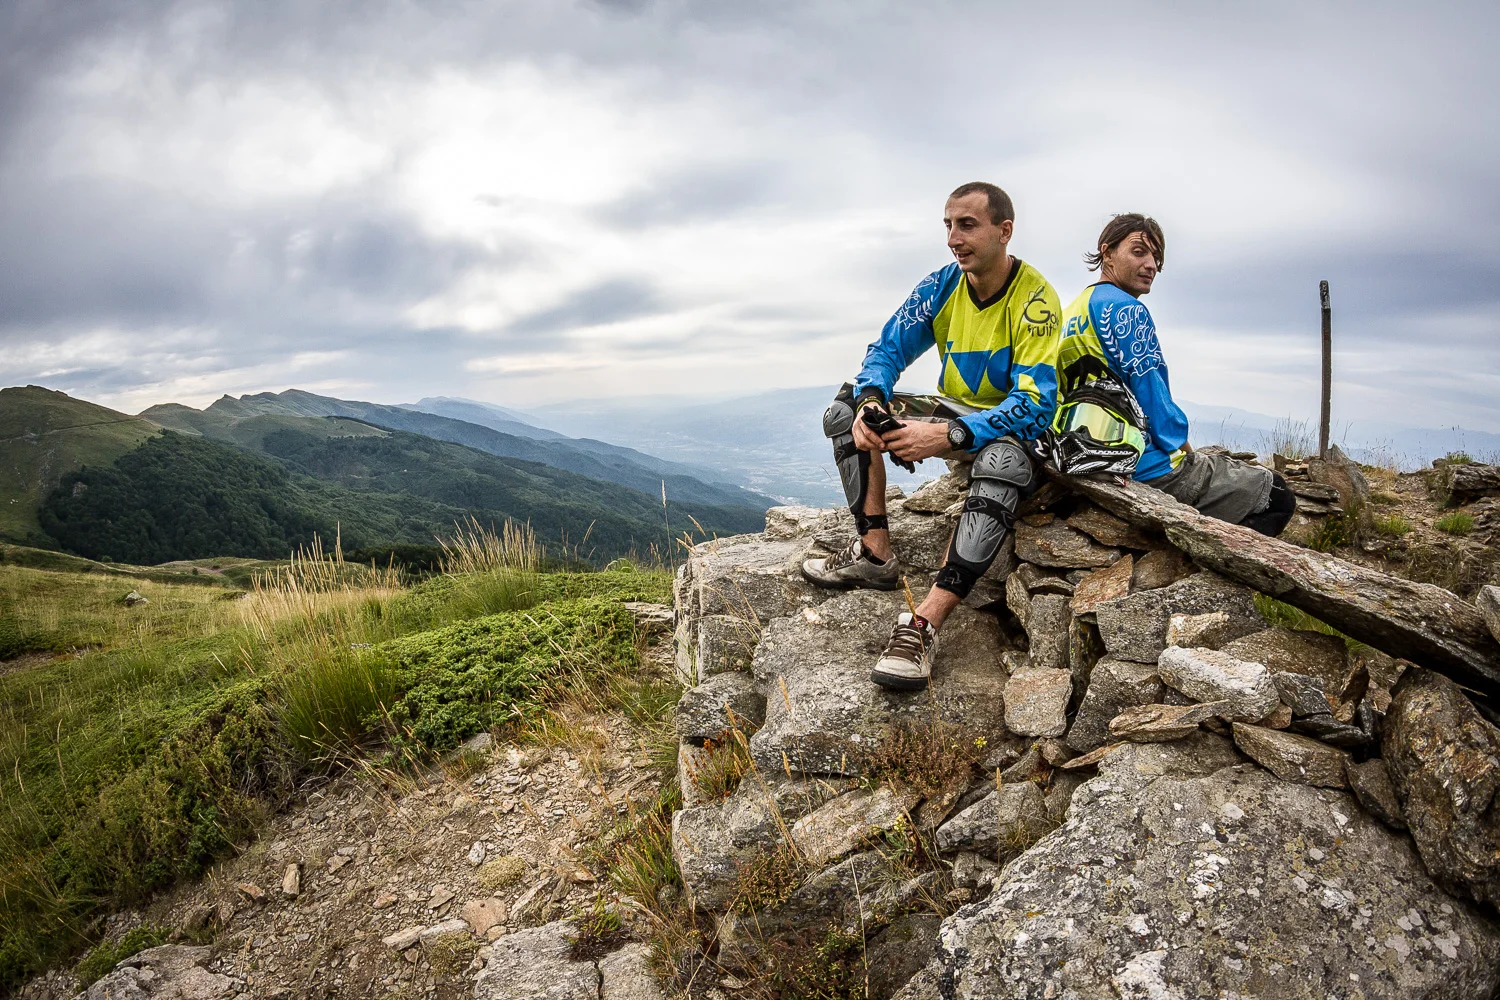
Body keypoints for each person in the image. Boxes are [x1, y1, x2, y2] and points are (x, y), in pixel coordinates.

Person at [801, 182, 1062, 690]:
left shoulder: (1036, 302)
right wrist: (873, 401)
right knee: (846, 411)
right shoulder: (942, 285)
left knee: (1001, 465)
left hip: (1014, 429)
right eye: (947, 225)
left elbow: (1035, 405)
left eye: (967, 225)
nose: (952, 238)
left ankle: (923, 623)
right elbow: (886, 349)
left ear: (1004, 231)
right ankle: (875, 554)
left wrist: (950, 434)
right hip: (955, 413)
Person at [1055, 213, 1295, 535]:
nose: (1151, 264)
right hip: (1142, 466)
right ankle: (1217, 567)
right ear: (1107, 252)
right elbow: (1153, 398)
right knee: (1278, 496)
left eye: (1157, 257)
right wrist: (1184, 450)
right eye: (1139, 252)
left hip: (1080, 454)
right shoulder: (1127, 310)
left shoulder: (1071, 312)